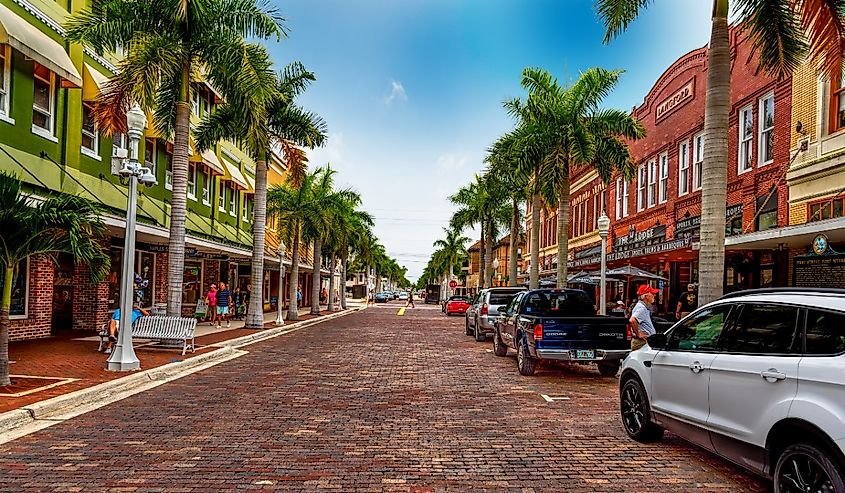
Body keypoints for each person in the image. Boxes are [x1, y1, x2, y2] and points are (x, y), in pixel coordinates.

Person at [630, 285, 659, 351]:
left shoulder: (642, 307)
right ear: (646, 296)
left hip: (643, 342)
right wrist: (639, 334)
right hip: (642, 342)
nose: (654, 296)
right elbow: (632, 320)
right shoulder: (641, 308)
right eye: (652, 294)